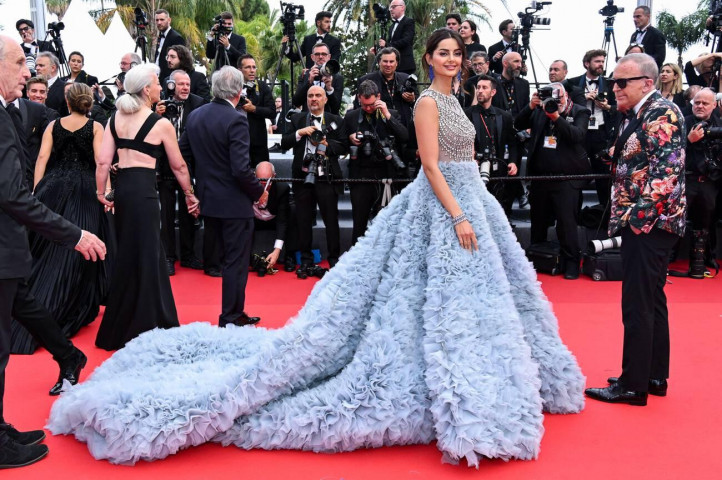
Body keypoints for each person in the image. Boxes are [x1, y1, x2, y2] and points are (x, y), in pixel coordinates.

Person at [46, 29, 584, 468]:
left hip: (473, 208)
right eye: (442, 52)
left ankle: (483, 376)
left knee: (472, 304)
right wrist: (460, 214)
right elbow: (431, 165)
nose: (450, 59)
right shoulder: (425, 101)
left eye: (456, 53)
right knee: (426, 299)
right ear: (428, 58)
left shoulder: (458, 99)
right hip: (447, 209)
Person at [0, 34, 105, 469]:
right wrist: (75, 235)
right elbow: (12, 192)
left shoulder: (23, 116)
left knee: (23, 307)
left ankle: (66, 358)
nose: (29, 73)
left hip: (13, 246)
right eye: (20, 63)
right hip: (7, 244)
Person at [585, 53, 686, 406]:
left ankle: (632, 385)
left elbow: (666, 175)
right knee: (652, 300)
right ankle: (653, 376)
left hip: (650, 226)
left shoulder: (661, 113)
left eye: (621, 82)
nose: (614, 87)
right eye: (614, 81)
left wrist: (635, 221)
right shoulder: (642, 114)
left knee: (638, 304)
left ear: (646, 82)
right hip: (652, 224)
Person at [94, 64, 199, 351]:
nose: (159, 87)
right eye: (155, 83)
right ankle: (153, 322)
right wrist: (190, 194)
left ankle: (121, 326)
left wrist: (102, 191)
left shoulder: (114, 118)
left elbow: (103, 162)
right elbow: (178, 165)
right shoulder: (160, 124)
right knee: (150, 253)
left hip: (123, 190)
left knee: (127, 253)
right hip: (144, 192)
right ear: (145, 90)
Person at [10, 82, 111, 356]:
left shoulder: (53, 125)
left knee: (46, 243)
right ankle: (73, 301)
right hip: (84, 189)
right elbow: (101, 163)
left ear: (67, 101)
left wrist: (36, 190)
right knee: (82, 249)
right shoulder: (96, 127)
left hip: (52, 187)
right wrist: (106, 191)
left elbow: (42, 157)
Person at [179, 66, 264, 327]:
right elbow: (240, 168)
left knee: (222, 260)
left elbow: (183, 155)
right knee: (235, 263)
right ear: (239, 91)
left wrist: (193, 190)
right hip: (235, 204)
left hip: (208, 200)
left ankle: (234, 313)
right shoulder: (236, 118)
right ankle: (231, 315)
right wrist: (259, 193)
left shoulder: (195, 115)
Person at [515, 83, 591, 280]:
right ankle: (537, 259)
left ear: (565, 96)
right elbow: (517, 123)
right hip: (540, 177)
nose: (554, 103)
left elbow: (577, 136)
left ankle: (572, 263)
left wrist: (556, 117)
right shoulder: (540, 110)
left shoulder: (579, 111)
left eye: (558, 99)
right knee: (538, 222)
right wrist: (531, 107)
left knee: (566, 224)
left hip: (567, 179)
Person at [283, 85, 345, 275]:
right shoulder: (297, 119)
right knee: (303, 220)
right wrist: (299, 133)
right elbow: (284, 143)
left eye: (318, 95)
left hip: (327, 177)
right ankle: (306, 260)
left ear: (325, 99)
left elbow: (343, 146)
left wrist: (326, 144)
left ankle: (334, 259)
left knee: (331, 221)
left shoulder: (335, 120)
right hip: (302, 176)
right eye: (310, 96)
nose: (314, 99)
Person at [345, 80, 409, 245]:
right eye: (364, 104)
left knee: (386, 223)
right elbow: (340, 145)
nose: (368, 108)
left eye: (372, 104)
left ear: (379, 97)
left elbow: (404, 137)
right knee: (359, 223)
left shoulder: (391, 114)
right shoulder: (351, 116)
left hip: (385, 175)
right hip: (360, 176)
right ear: (359, 98)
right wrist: (350, 139)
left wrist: (387, 115)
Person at [154, 70, 205, 275]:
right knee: (165, 214)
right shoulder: (160, 104)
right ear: (171, 86)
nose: (185, 88)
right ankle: (168, 256)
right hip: (165, 166)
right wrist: (155, 114)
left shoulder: (199, 103)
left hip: (189, 164)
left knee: (189, 212)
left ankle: (188, 255)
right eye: (181, 84)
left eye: (188, 84)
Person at [568, 49, 619, 206]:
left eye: (602, 62)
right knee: (576, 173)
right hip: (579, 131)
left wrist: (607, 107)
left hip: (601, 132)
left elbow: (620, 108)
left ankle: (604, 213)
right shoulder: (573, 82)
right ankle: (574, 213)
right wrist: (582, 98)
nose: (601, 65)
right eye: (597, 61)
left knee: (602, 174)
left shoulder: (610, 84)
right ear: (586, 64)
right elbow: (564, 104)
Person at [678, 88, 720, 278]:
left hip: (709, 181)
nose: (700, 106)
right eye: (697, 103)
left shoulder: (719, 125)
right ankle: (668, 259)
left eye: (705, 103)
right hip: (687, 179)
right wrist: (689, 140)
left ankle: (700, 262)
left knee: (705, 222)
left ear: (714, 105)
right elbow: (670, 155)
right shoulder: (682, 123)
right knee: (676, 220)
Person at [465, 75, 520, 216]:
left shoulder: (504, 116)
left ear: (493, 92)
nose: (480, 91)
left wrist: (513, 162)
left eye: (484, 88)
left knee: (497, 211)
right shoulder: (467, 114)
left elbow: (513, 143)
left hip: (498, 172)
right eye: (478, 88)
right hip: (473, 171)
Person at [355, 47, 417, 127]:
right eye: (385, 61)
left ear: (396, 63)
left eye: (391, 61)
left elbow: (418, 103)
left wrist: (412, 99)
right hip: (377, 127)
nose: (388, 65)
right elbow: (358, 107)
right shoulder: (365, 80)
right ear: (379, 62)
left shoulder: (406, 79)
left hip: (403, 127)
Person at [237, 54, 275, 167]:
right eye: (248, 67)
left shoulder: (262, 87)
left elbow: (272, 111)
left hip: (258, 143)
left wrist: (254, 109)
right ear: (239, 70)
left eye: (254, 67)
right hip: (237, 140)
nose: (252, 70)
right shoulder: (232, 86)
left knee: (262, 175)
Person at [252, 161, 291, 269]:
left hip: (273, 218)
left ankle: (289, 256)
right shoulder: (247, 184)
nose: (263, 184)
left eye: (266, 181)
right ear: (254, 175)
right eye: (260, 180)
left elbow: (282, 221)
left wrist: (277, 251)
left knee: (293, 213)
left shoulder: (282, 188)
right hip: (253, 219)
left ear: (274, 176)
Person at [291, 43, 344, 115]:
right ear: (312, 57)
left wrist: (329, 88)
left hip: (328, 121)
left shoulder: (337, 77)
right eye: (317, 54)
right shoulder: (305, 75)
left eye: (324, 54)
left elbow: (336, 108)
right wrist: (309, 81)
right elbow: (296, 102)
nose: (321, 57)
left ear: (329, 57)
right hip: (308, 120)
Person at [379, 0, 416, 75]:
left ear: (402, 8)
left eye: (393, 7)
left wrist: (387, 45)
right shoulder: (391, 27)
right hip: (392, 66)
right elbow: (390, 43)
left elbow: (406, 40)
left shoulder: (408, 22)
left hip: (405, 65)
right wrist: (379, 48)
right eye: (390, 8)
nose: (391, 10)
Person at [492, 52, 530, 118]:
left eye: (520, 62)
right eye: (516, 61)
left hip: (519, 125)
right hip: (498, 125)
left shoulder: (524, 84)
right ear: (505, 63)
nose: (520, 65)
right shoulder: (492, 83)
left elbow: (526, 108)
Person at [153, 9, 185, 82]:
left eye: (162, 19)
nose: (159, 22)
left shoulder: (176, 38)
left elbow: (181, 62)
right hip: (159, 79)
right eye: (157, 20)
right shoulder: (160, 36)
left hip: (170, 80)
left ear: (169, 20)